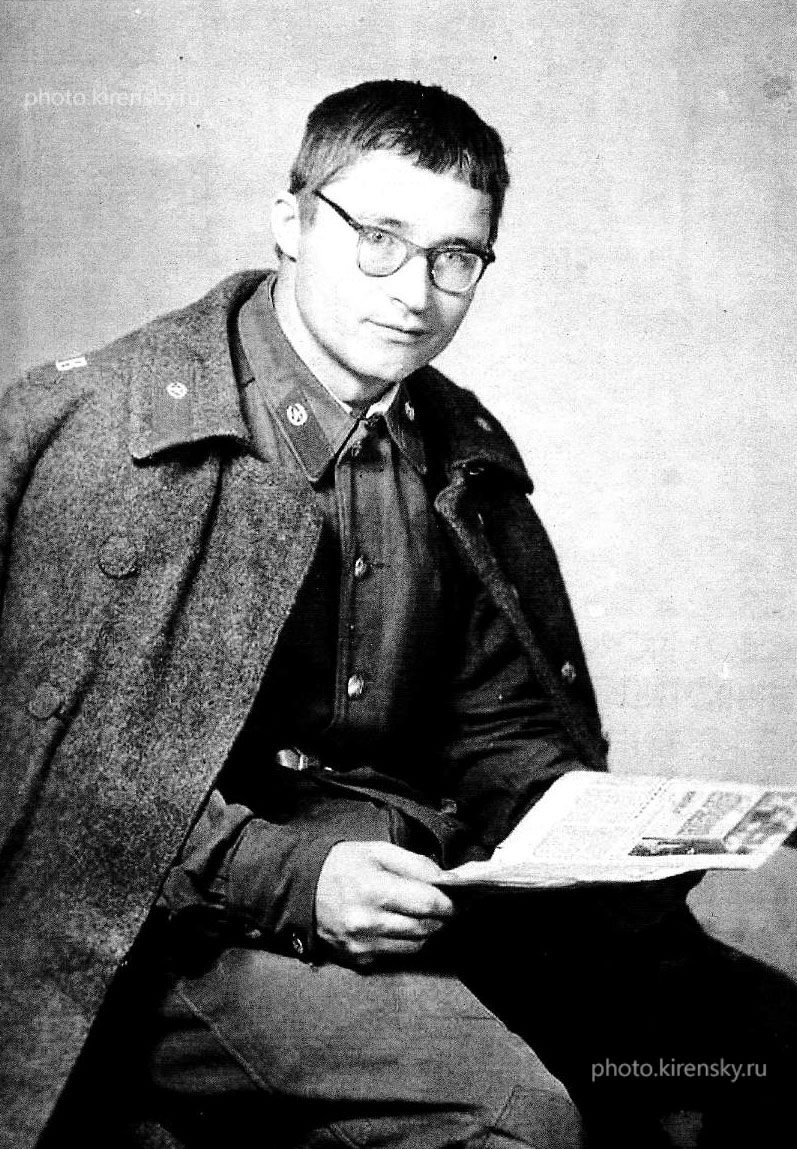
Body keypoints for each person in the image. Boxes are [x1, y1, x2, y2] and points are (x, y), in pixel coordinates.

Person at [1, 79, 795, 1149]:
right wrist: (296, 879)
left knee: (761, 1042)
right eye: (377, 238)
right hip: (162, 930)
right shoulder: (110, 434)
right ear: (290, 223)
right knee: (512, 1117)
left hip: (416, 888)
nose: (414, 291)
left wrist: (594, 831)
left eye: (453, 256)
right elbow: (57, 778)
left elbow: (497, 727)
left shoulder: (449, 441)